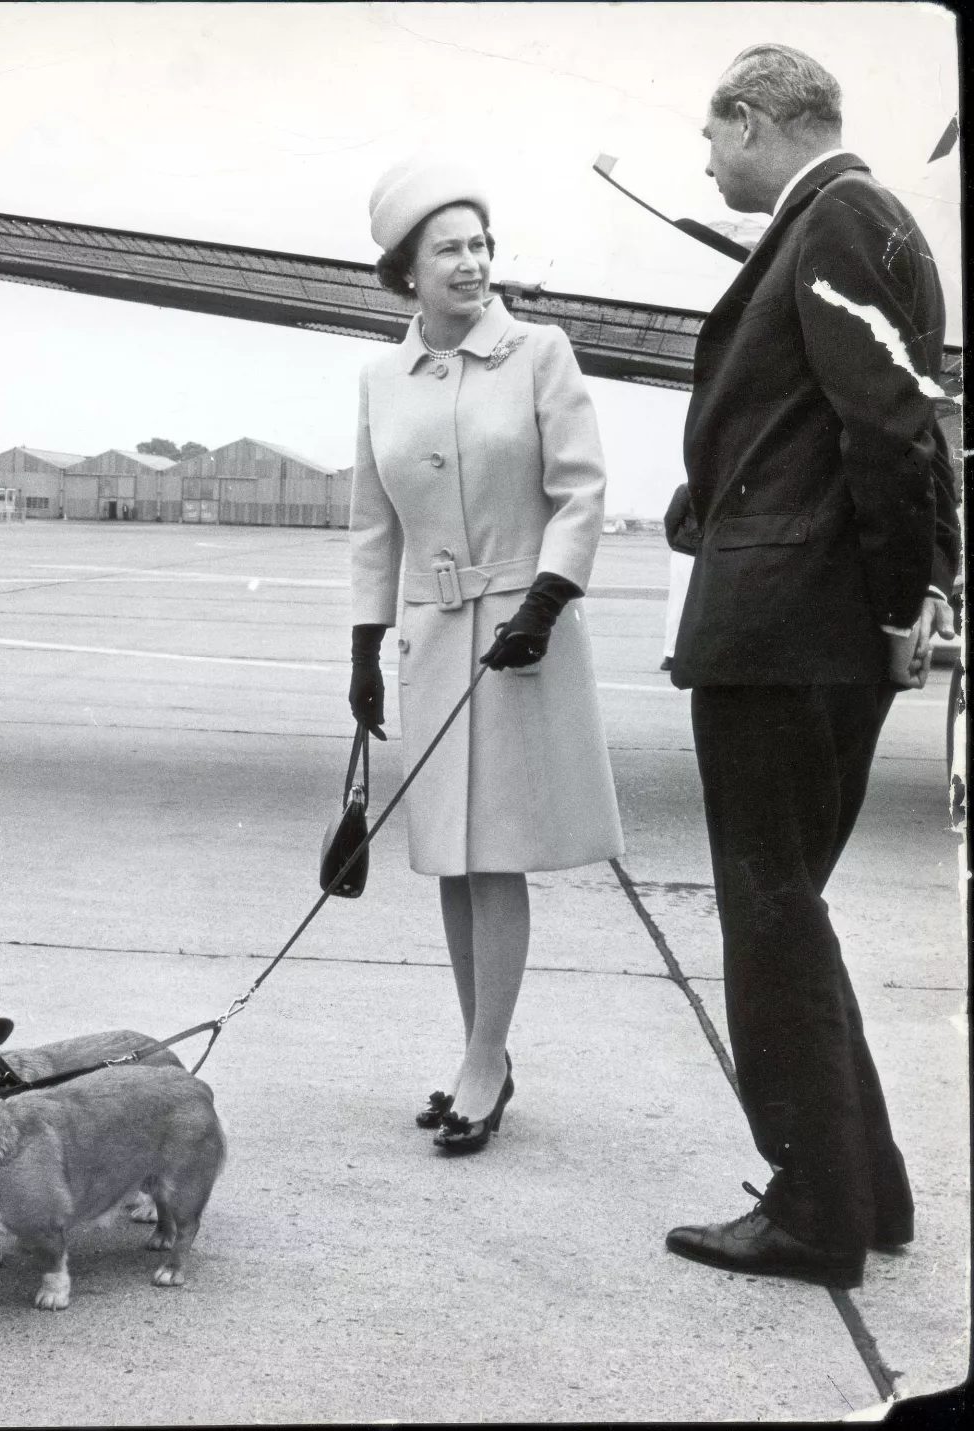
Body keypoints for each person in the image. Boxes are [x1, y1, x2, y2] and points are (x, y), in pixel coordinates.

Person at [665, 45, 959, 1287]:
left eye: (714, 135)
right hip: (812, 619)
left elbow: (893, 432)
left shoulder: (838, 219)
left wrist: (910, 601)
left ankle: (812, 1214)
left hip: (794, 634)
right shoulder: (852, 222)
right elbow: (839, 425)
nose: (708, 158)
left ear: (752, 119)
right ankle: (864, 1191)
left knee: (770, 920)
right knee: (794, 915)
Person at [348, 158, 624, 1154]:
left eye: (480, 246)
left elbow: (582, 490)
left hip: (520, 634)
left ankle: (483, 1061)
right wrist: (364, 647)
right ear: (405, 273)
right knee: (451, 862)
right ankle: (484, 1055)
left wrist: (548, 598)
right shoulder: (383, 379)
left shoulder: (540, 352)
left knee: (495, 852)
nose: (471, 265)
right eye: (448, 250)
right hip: (431, 635)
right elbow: (372, 527)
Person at [661, 482, 700, 671]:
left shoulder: (686, 489)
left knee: (678, 603)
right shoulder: (721, 486)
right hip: (702, 553)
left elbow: (671, 520)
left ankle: (671, 655)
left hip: (684, 552)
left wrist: (677, 542)